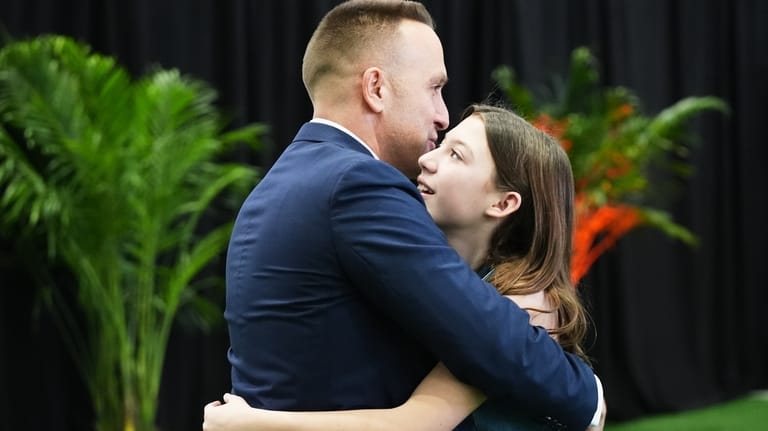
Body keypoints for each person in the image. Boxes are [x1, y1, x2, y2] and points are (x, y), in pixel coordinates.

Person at [222, 1, 603, 429]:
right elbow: (485, 338)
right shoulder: (357, 184)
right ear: (376, 88)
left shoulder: (273, 187)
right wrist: (590, 397)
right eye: (434, 88)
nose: (441, 115)